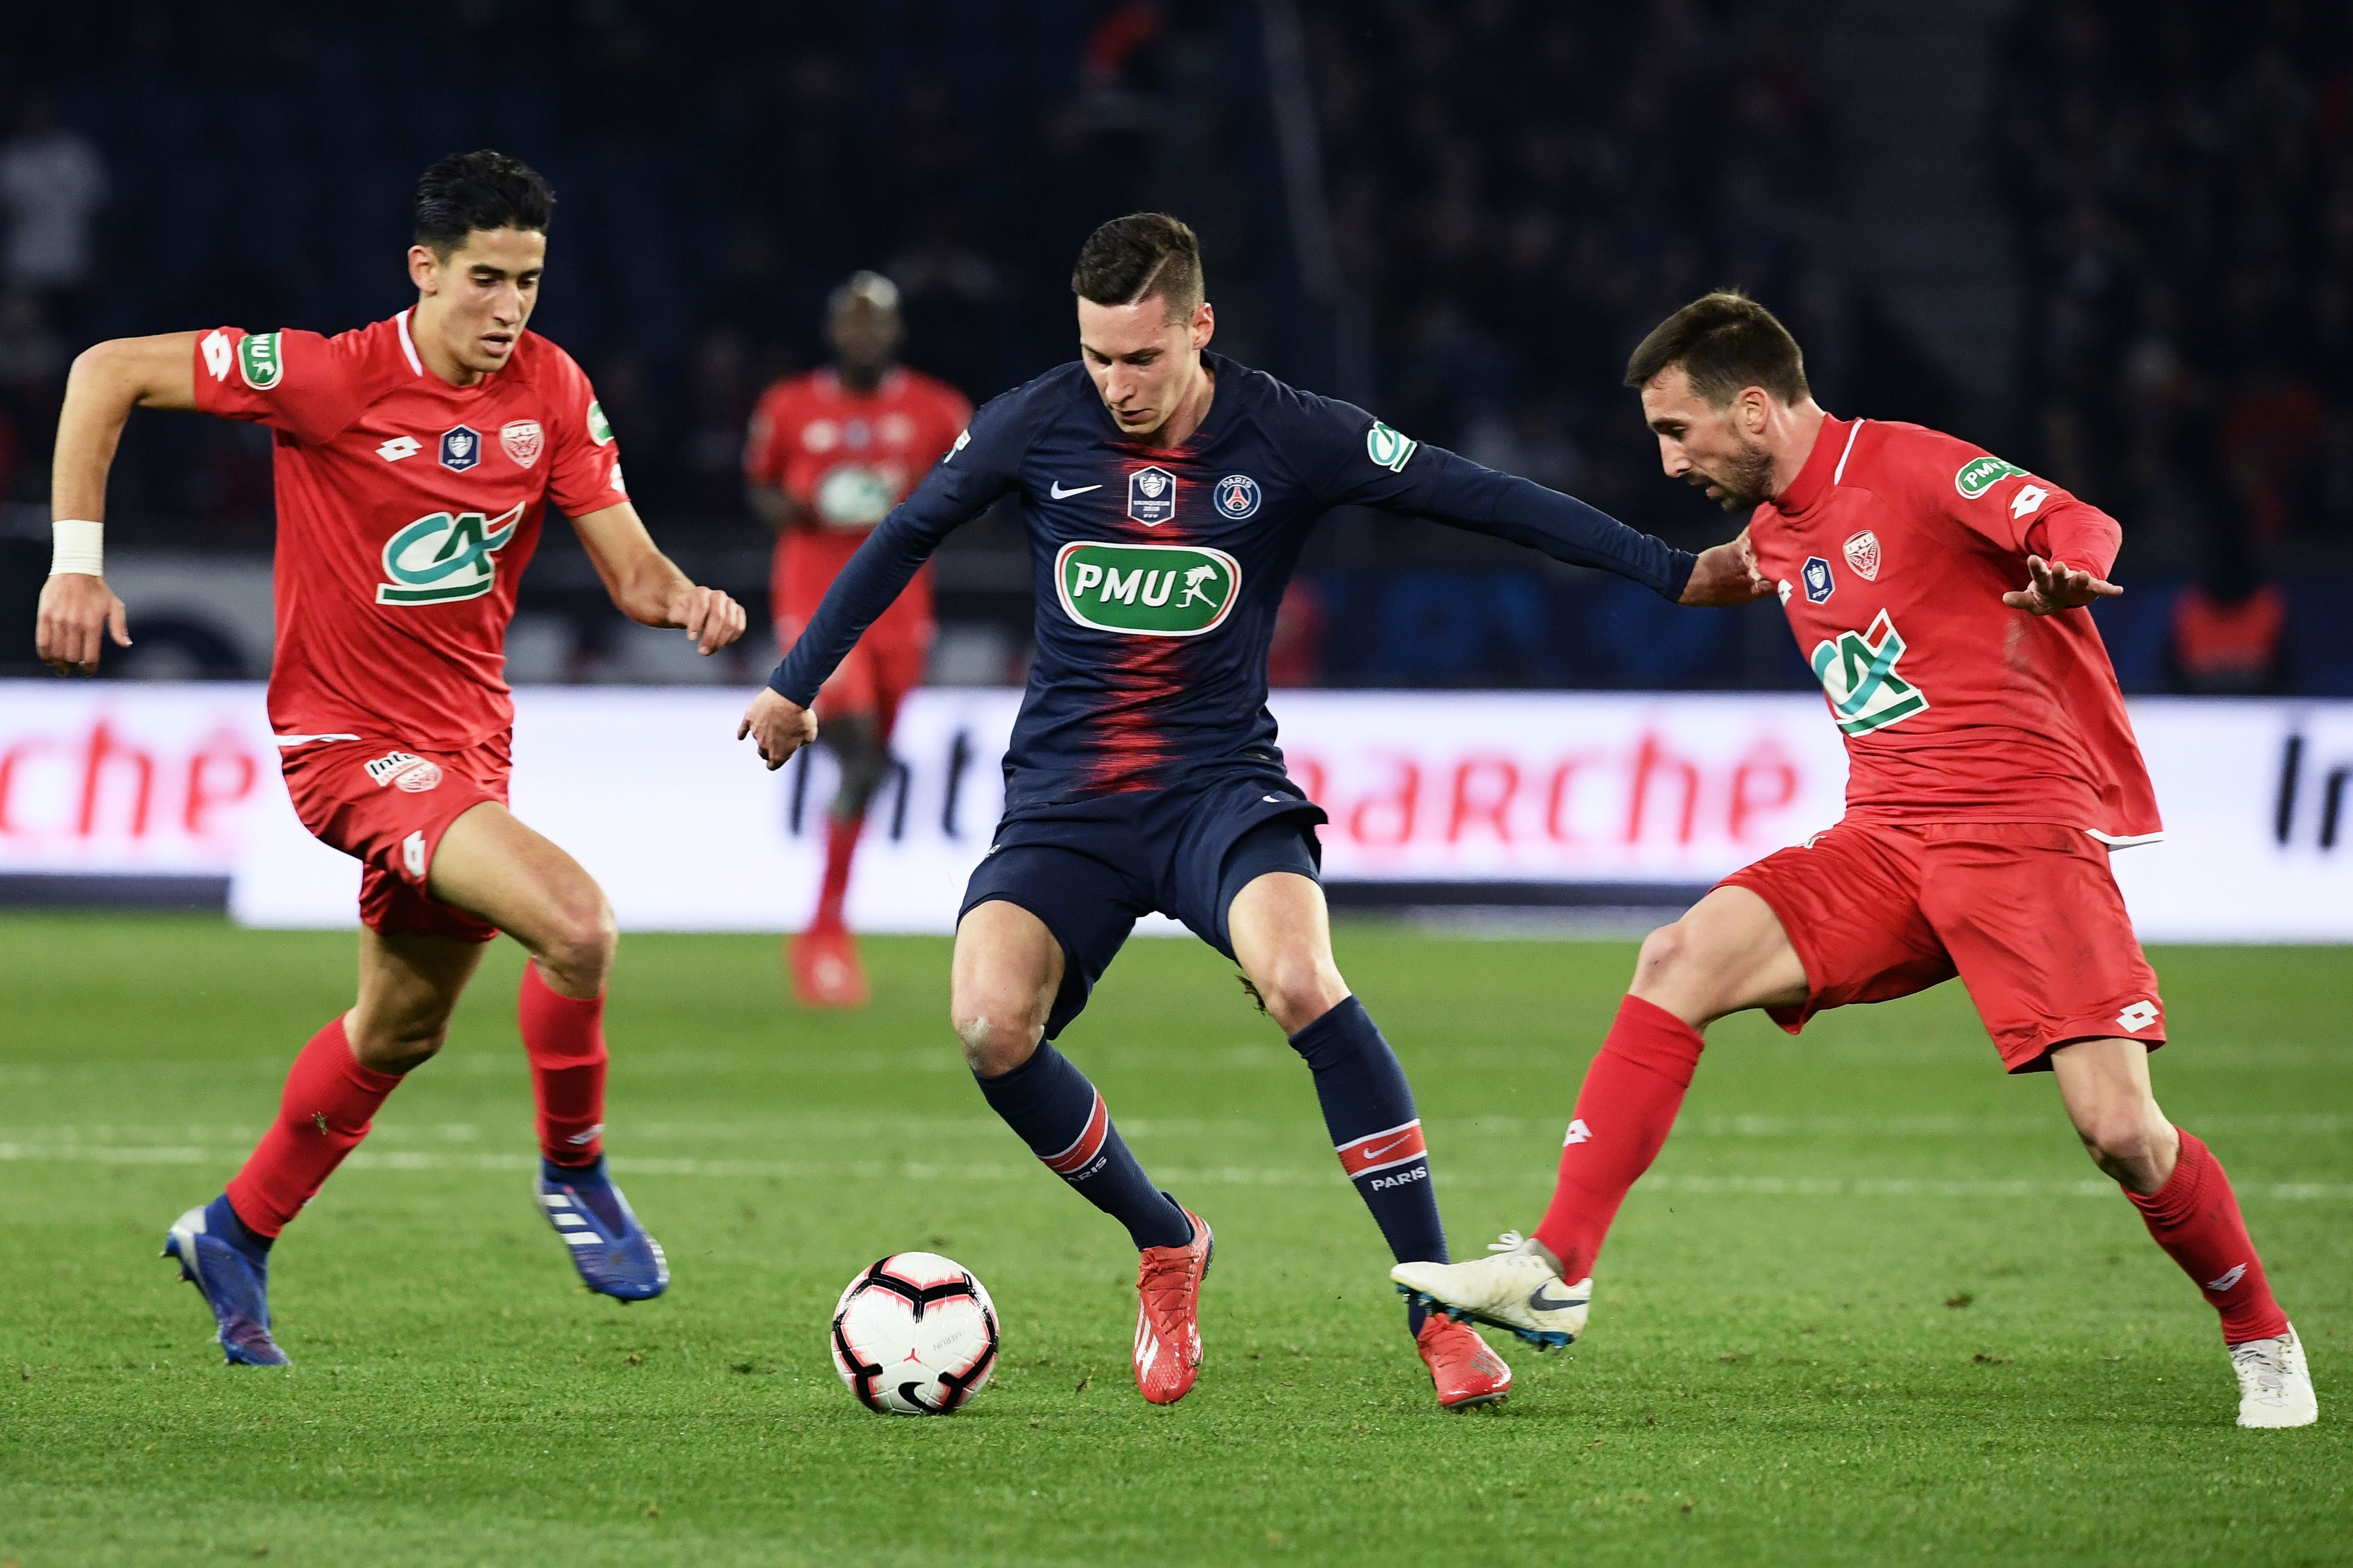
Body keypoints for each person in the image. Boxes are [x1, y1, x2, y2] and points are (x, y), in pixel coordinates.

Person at [739, 215, 1763, 1409]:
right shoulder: (1031, 420)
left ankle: (1436, 1314)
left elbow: (1470, 493)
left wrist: (1668, 565)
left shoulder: (1287, 429)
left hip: (1219, 787)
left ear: (1197, 328)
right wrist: (794, 682)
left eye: (1142, 357)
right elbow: (905, 532)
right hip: (1066, 800)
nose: (1116, 386)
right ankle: (1167, 1241)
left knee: (1300, 979)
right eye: (1097, 357)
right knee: (989, 1027)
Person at [1390, 290, 2319, 1431]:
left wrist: (2068, 569)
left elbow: (2071, 518)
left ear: (1750, 407)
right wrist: (1511, 513)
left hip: (2020, 829)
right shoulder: (1779, 523)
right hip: (1885, 838)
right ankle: (1555, 1265)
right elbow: (1697, 572)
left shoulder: (1912, 466)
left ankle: (2261, 1337)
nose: (1669, 458)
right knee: (1679, 955)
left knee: (2119, 1130)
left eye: (1677, 431)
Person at [33, 150, 747, 1366]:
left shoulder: (552, 389)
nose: (509, 307)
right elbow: (106, 373)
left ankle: (234, 1229)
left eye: (527, 279)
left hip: (468, 753)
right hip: (350, 749)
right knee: (577, 927)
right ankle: (576, 1174)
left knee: (396, 1032)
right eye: (484, 280)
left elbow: (631, 571)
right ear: (424, 271)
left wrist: (688, 600)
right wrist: (76, 561)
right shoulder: (325, 377)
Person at [744, 271, 970, 1006]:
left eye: (878, 322)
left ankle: (825, 927)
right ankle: (824, 934)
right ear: (834, 331)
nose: (864, 334)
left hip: (902, 613)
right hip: (815, 603)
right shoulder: (788, 406)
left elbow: (977, 497)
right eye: (853, 321)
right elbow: (761, 490)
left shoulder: (939, 412)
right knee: (863, 755)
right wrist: (808, 503)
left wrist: (918, 508)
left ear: (896, 333)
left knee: (869, 767)